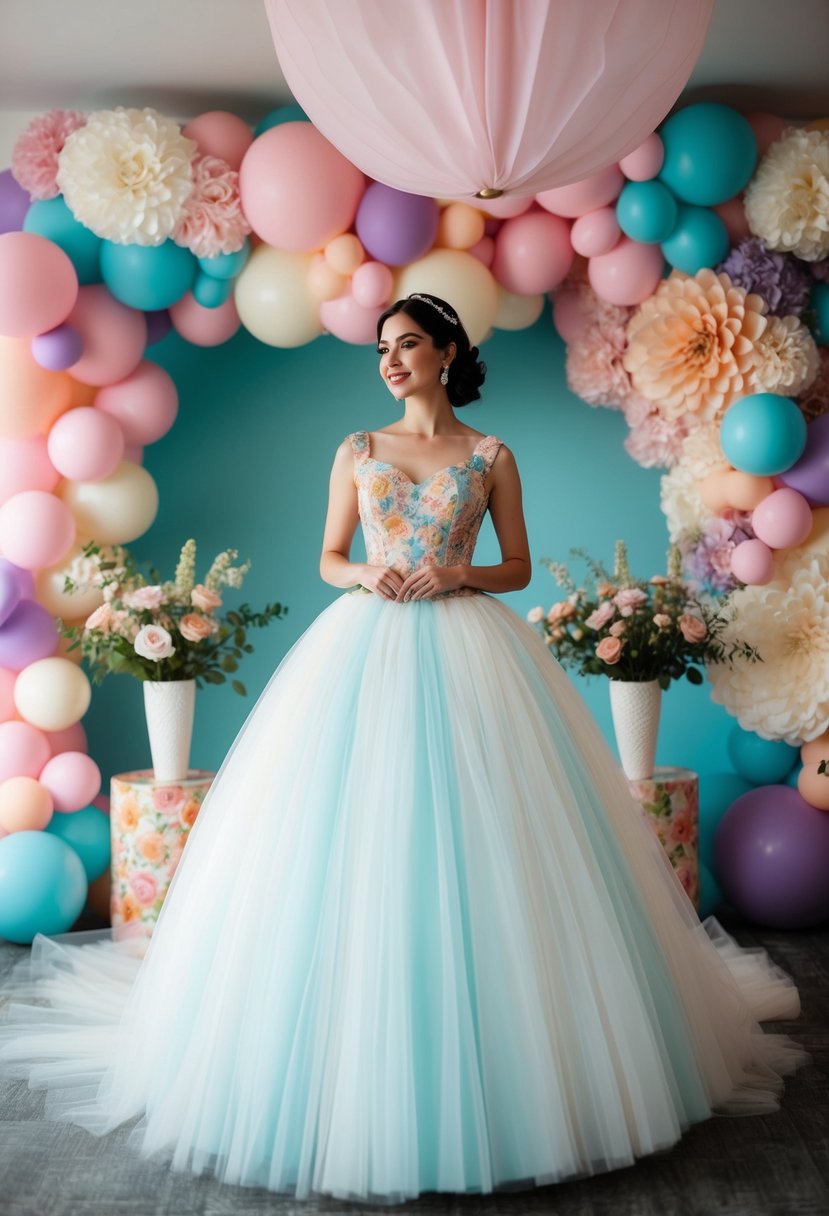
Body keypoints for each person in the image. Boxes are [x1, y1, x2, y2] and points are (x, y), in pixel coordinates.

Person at [0, 293, 810, 1206]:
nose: (390, 360)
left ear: (448, 351)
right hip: (364, 643)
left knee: (491, 838)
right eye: (382, 347)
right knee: (348, 838)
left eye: (408, 343)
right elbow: (328, 556)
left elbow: (517, 565)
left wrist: (459, 571)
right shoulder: (356, 449)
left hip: (471, 643)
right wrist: (364, 572)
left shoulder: (490, 455)